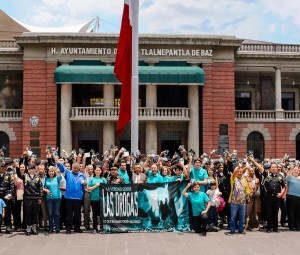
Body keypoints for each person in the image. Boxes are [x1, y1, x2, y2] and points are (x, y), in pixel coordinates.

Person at [56, 161, 86, 234]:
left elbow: (83, 185)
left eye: (77, 168)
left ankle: (77, 228)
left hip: (78, 198)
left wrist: (85, 183)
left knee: (77, 214)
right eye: (74, 168)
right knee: (69, 214)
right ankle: (68, 228)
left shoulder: (81, 175)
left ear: (79, 168)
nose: (76, 169)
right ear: (72, 168)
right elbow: (62, 168)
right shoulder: (68, 173)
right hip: (69, 197)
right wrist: (58, 163)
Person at [257, 162, 286, 233]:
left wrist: (281, 193)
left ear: (277, 169)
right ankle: (269, 227)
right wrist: (253, 161)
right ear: (270, 169)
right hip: (268, 196)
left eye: (275, 167)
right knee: (269, 212)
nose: (274, 168)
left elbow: (284, 186)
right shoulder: (266, 175)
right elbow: (261, 169)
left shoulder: (280, 176)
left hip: (277, 196)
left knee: (275, 212)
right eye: (272, 167)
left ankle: (275, 227)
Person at [227, 163, 251, 235]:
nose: (240, 173)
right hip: (234, 201)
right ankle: (232, 229)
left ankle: (241, 229)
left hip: (242, 201)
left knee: (242, 216)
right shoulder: (233, 178)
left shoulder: (244, 179)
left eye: (241, 172)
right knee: (233, 216)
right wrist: (239, 167)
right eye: (238, 172)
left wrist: (248, 197)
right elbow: (234, 173)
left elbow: (246, 189)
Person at [22, 164, 43, 236]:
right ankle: (28, 229)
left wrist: (40, 197)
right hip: (27, 198)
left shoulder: (38, 178)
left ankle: (34, 229)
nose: (33, 170)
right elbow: (19, 173)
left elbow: (40, 188)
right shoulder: (25, 177)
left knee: (35, 214)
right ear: (28, 170)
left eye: (34, 169)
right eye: (31, 169)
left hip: (35, 198)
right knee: (28, 214)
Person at [88, 165, 107, 233]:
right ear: (94, 171)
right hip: (94, 199)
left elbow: (106, 188)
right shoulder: (92, 179)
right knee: (94, 214)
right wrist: (96, 186)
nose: (98, 171)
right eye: (96, 170)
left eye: (99, 170)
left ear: (101, 171)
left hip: (102, 199)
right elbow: (89, 189)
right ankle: (95, 228)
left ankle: (102, 227)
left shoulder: (103, 179)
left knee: (102, 214)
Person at [44, 166, 62, 234]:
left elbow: (59, 174)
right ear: (48, 172)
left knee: (56, 213)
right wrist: (46, 190)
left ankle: (57, 228)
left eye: (52, 171)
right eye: (49, 171)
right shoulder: (46, 179)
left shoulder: (57, 178)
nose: (51, 172)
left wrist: (55, 168)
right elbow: (42, 187)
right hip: (49, 199)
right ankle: (51, 228)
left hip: (57, 198)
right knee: (50, 214)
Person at [0, 159, 15, 234]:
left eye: (3, 167)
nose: (2, 168)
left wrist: (11, 194)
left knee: (7, 212)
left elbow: (12, 185)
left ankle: (8, 227)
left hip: (6, 195)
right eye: (0, 167)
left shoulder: (8, 174)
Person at [285, 165, 300, 231]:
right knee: (291, 212)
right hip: (291, 196)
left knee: (298, 212)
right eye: (295, 170)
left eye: (297, 170)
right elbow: (287, 176)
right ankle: (291, 225)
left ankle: (298, 226)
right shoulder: (290, 177)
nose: (296, 171)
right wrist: (291, 168)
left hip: (299, 197)